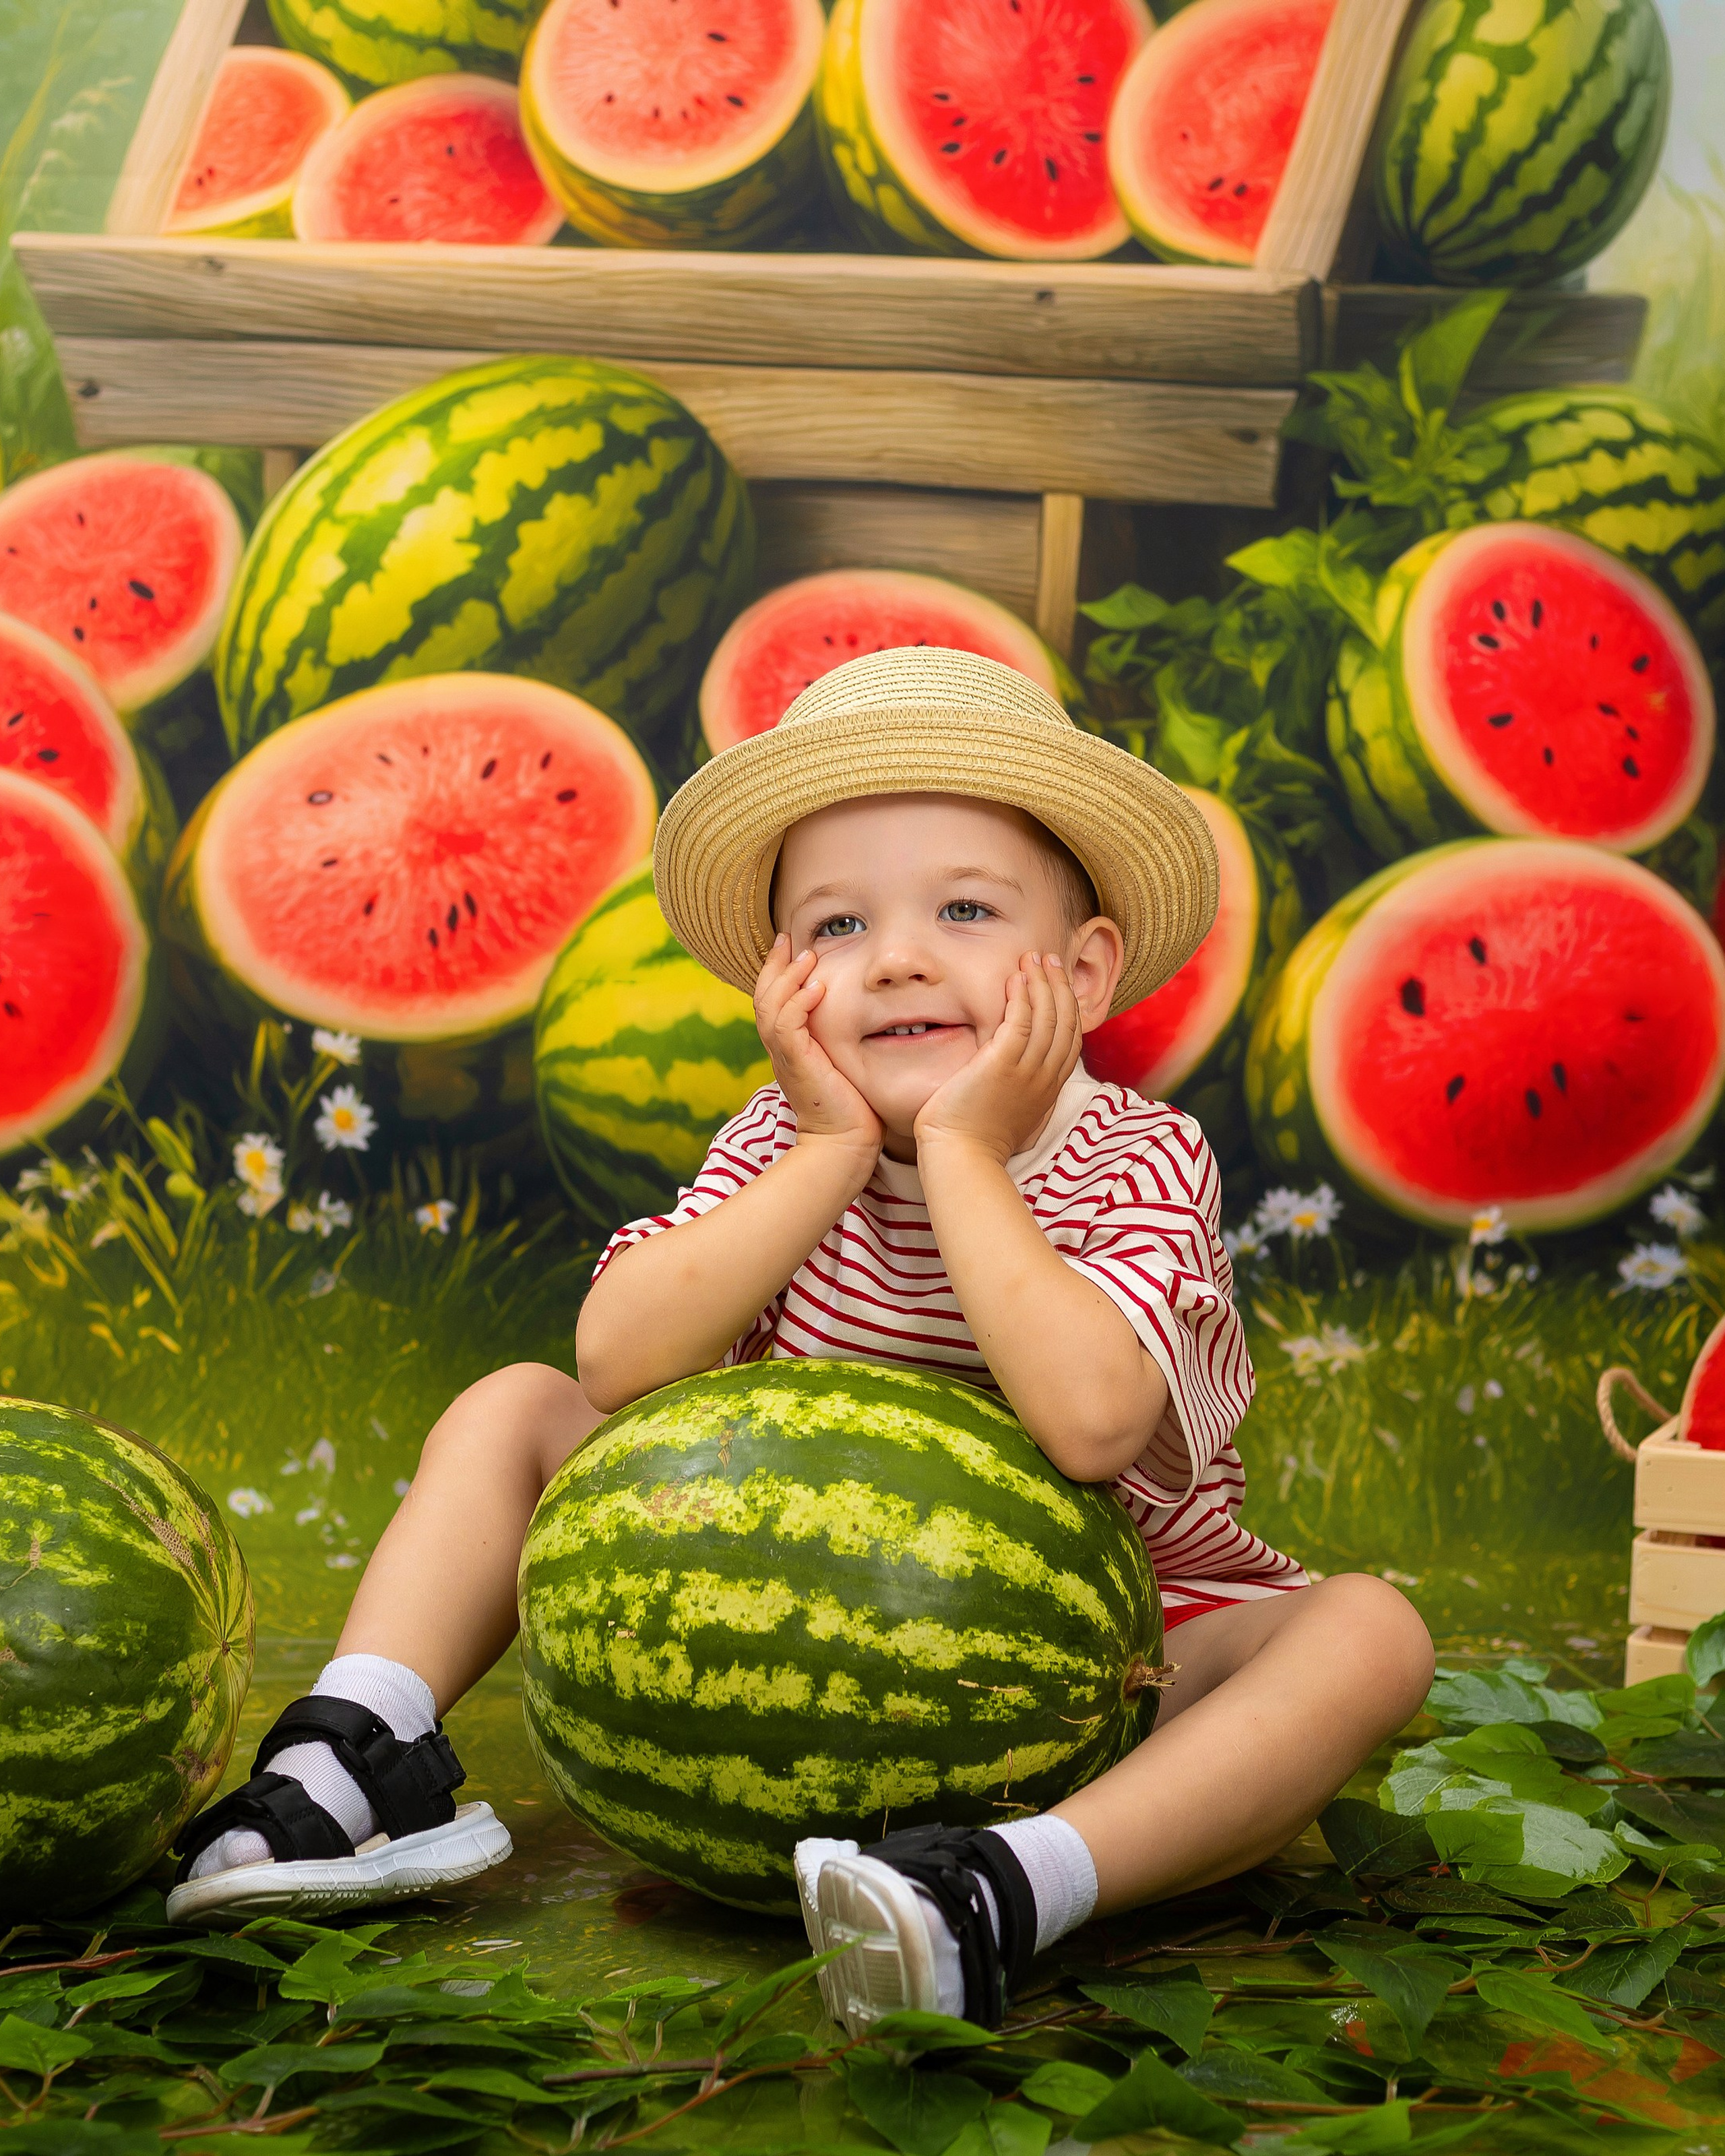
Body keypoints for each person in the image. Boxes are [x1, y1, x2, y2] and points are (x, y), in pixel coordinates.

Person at [168, 647, 1433, 2037]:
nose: (893, 955)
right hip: (799, 1632)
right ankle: (358, 1754)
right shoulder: (780, 1142)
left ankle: (1004, 1890)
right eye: (835, 926)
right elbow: (618, 1366)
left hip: (1110, 1654)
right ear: (778, 982)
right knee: (515, 1403)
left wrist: (960, 1149)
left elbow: (1088, 1425)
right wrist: (831, 1149)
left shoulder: (1138, 1158)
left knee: (1368, 1635)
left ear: (1080, 969)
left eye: (961, 907)